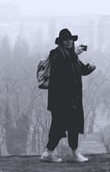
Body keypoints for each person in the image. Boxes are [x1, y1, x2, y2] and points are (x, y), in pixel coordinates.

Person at [41, 27, 96, 163]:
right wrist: (74, 55)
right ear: (60, 42)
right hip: (60, 100)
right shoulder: (56, 54)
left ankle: (74, 153)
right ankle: (48, 152)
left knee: (73, 126)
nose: (69, 42)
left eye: (70, 39)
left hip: (73, 99)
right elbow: (60, 68)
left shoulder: (72, 57)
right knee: (58, 126)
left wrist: (89, 68)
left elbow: (81, 70)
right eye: (66, 40)